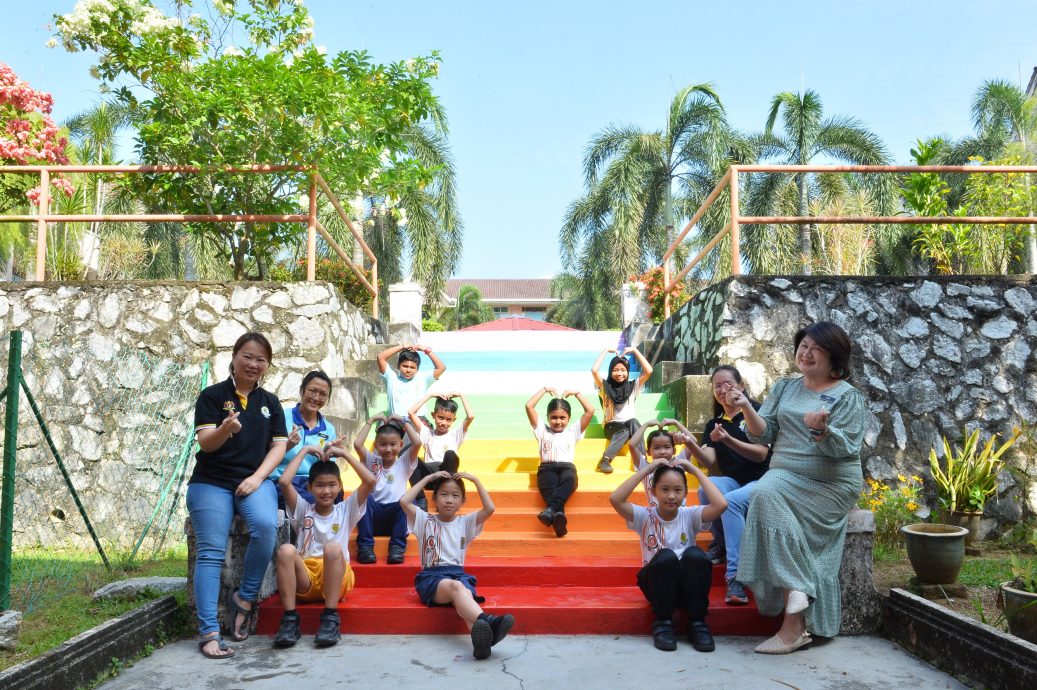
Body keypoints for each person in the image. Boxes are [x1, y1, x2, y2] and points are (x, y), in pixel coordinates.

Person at [731, 321, 865, 654]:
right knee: (766, 490)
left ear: (833, 357)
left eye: (815, 348)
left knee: (765, 492)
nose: (806, 353)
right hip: (785, 476)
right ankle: (797, 599)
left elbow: (846, 448)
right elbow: (763, 434)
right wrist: (747, 406)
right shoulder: (785, 388)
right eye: (803, 345)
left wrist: (822, 432)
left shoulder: (848, 397)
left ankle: (793, 625)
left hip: (831, 483)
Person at [187, 332, 288, 659]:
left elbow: (279, 446)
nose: (253, 364)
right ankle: (209, 633)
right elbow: (206, 443)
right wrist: (225, 429)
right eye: (247, 356)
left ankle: (244, 599)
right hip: (211, 482)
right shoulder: (212, 396)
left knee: (265, 527)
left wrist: (258, 478)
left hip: (253, 482)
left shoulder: (270, 402)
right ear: (234, 357)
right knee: (211, 551)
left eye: (261, 359)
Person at [610, 447, 728, 653]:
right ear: (654, 491)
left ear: (684, 493)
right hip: (658, 588)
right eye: (664, 489)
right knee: (666, 557)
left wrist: (694, 469)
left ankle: (698, 623)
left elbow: (721, 504)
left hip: (687, 588)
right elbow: (616, 499)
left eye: (678, 490)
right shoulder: (643, 516)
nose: (671, 496)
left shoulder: (689, 515)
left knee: (695, 555)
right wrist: (648, 469)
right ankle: (663, 623)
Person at [400, 468, 515, 660]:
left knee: (464, 599)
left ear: (462, 501)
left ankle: (482, 646)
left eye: (455, 496)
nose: (449, 499)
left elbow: (490, 508)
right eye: (443, 494)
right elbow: (404, 501)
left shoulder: (465, 522)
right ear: (434, 498)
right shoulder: (424, 520)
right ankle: (489, 620)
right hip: (432, 578)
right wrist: (429, 477)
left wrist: (476, 480)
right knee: (457, 588)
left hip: (459, 576)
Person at [683, 365, 771, 606]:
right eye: (717, 386)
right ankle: (720, 543)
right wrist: (691, 445)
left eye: (728, 384)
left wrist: (728, 439)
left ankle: (736, 577)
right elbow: (710, 462)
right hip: (734, 481)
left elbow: (761, 455)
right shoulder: (714, 423)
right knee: (707, 487)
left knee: (731, 502)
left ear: (741, 386)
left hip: (763, 481)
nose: (723, 390)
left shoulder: (756, 412)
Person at [272, 444, 376, 649]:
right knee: (286, 550)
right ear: (309, 488)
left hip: (337, 579)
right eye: (319, 485)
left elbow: (370, 480)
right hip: (307, 579)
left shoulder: (346, 509)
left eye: (331, 485)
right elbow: (284, 481)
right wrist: (304, 451)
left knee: (332, 548)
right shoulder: (303, 509)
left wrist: (345, 453)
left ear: (339, 486)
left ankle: (330, 618)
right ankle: (290, 620)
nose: (326, 491)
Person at [377, 343, 446, 508]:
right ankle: (385, 494)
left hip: (415, 422)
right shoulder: (391, 377)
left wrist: (427, 351)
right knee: (383, 458)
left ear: (417, 368)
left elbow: (441, 367)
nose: (408, 369)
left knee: (407, 459)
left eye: (412, 367)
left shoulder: (423, 378)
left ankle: (420, 497)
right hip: (394, 422)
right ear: (398, 366)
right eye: (404, 366)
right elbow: (381, 357)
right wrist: (402, 347)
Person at [524, 387, 594, 537]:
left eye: (562, 418)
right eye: (554, 417)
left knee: (569, 481)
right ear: (548, 417)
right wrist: (543, 390)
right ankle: (557, 516)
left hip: (567, 468)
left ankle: (550, 511)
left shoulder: (573, 431)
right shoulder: (542, 430)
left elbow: (590, 411)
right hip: (546, 468)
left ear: (569, 418)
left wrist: (577, 393)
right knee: (549, 487)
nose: (558, 421)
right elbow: (529, 406)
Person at [352, 414, 421, 564]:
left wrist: (404, 422)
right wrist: (370, 420)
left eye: (393, 444)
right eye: (383, 444)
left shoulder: (404, 462)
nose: (388, 449)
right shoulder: (372, 461)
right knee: (365, 497)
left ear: (401, 445)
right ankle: (365, 547)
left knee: (406, 500)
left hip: (395, 521)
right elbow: (357, 444)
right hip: (374, 518)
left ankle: (397, 547)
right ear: (376, 445)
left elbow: (417, 442)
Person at [271, 371, 338, 507]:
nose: (316, 397)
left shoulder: (328, 429)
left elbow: (328, 469)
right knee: (314, 504)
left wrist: (327, 455)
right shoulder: (281, 417)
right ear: (302, 390)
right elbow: (265, 455)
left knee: (339, 499)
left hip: (314, 483)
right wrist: (287, 445)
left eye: (323, 394)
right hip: (282, 480)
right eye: (312, 391)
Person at [591, 346, 654, 474]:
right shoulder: (604, 386)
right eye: (615, 370)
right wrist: (604, 351)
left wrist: (635, 351)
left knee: (634, 423)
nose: (620, 373)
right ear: (610, 371)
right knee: (625, 431)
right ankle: (605, 460)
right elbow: (594, 371)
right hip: (611, 426)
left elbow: (648, 371)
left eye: (623, 370)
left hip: (629, 425)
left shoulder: (632, 386)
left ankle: (642, 460)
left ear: (628, 371)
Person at [629, 418, 696, 505]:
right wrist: (646, 425)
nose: (662, 451)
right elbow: (632, 445)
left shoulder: (679, 462)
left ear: (674, 450)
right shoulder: (645, 468)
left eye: (667, 447)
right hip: (656, 517)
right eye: (657, 447)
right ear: (648, 452)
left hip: (680, 516)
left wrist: (675, 423)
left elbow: (693, 441)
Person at [408, 391, 474, 472]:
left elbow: (470, 416)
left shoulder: (455, 435)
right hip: (431, 474)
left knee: (450, 455)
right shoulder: (427, 434)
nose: (443, 423)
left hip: (448, 475)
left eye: (449, 420)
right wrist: (430, 395)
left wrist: (461, 395)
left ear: (454, 420)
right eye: (441, 418)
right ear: (433, 415)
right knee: (413, 462)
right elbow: (411, 412)